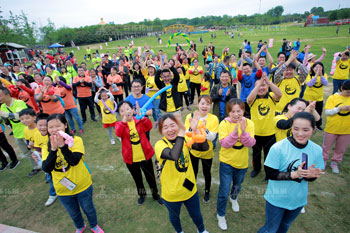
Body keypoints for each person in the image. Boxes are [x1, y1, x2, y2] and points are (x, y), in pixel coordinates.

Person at [257, 112, 324, 233]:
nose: (300, 133)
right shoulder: (278, 148)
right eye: (296, 129)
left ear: (314, 129)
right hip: (276, 199)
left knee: (284, 226)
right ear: (291, 127)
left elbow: (312, 176)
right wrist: (295, 174)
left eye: (305, 129)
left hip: (298, 200)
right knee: (270, 229)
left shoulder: (317, 150)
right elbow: (270, 174)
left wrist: (310, 176)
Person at [41, 114, 104, 233]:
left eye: (58, 126)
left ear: (65, 125)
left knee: (88, 209)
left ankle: (94, 225)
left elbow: (74, 161)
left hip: (82, 185)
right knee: (73, 212)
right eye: (51, 127)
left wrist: (63, 147)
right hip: (62, 189)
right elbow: (46, 168)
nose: (54, 130)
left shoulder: (76, 140)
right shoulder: (46, 146)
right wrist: (53, 150)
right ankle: (80, 226)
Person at [155, 114, 209, 233]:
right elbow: (174, 155)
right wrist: (181, 132)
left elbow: (204, 148)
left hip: (189, 190)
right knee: (174, 216)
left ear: (177, 125)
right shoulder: (160, 145)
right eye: (165, 127)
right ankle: (179, 231)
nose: (170, 130)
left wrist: (195, 130)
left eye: (173, 125)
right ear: (161, 131)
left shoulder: (184, 139)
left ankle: (201, 230)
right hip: (171, 194)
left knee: (196, 214)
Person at [217, 99, 256, 231]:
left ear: (243, 111)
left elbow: (250, 143)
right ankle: (221, 215)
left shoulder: (249, 123)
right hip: (226, 162)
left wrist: (244, 132)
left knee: (237, 185)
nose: (236, 114)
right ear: (228, 112)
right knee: (223, 190)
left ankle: (234, 198)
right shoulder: (223, 124)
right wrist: (234, 131)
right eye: (232, 111)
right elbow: (225, 144)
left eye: (239, 111)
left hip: (242, 163)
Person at [115, 101, 162, 205]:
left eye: (127, 109)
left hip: (145, 156)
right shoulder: (119, 124)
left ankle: (155, 194)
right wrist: (123, 121)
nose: (125, 112)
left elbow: (148, 126)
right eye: (122, 111)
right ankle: (142, 194)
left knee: (150, 177)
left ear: (133, 110)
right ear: (120, 114)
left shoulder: (139, 120)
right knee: (137, 179)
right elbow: (118, 133)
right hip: (131, 159)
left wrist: (142, 117)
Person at [247, 73, 282, 178]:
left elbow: (279, 94)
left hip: (270, 133)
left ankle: (268, 172)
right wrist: (259, 83)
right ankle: (256, 169)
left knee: (269, 154)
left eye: (263, 86)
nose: (261, 88)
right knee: (256, 154)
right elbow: (248, 100)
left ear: (267, 87)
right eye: (259, 86)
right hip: (256, 133)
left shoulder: (271, 96)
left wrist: (268, 82)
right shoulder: (253, 98)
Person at [185, 96, 219, 202]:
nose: (205, 106)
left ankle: (207, 191)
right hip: (193, 152)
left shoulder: (213, 118)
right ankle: (191, 190)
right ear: (198, 104)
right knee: (192, 172)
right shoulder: (190, 116)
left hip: (207, 153)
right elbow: (187, 134)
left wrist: (203, 128)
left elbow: (213, 137)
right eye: (202, 103)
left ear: (211, 106)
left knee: (207, 172)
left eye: (208, 104)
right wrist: (195, 128)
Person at [0, 87, 40, 176]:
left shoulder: (19, 103)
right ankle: (36, 167)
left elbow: (18, 116)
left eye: (0, 96)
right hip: (17, 133)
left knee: (37, 150)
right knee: (26, 152)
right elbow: (4, 121)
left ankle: (44, 167)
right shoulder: (3, 106)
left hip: (27, 132)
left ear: (7, 95)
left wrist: (3, 114)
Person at [322, 80, 350, 174]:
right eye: (348, 92)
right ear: (342, 88)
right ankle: (323, 161)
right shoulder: (333, 97)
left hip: (346, 130)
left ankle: (335, 162)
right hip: (332, 128)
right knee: (326, 146)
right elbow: (327, 112)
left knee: (341, 148)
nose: (349, 94)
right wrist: (339, 109)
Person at [33, 113, 57, 206]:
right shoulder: (36, 134)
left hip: (56, 160)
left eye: (45, 125)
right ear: (36, 125)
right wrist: (37, 154)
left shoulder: (53, 134)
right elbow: (37, 147)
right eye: (40, 125)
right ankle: (53, 194)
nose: (43, 127)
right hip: (46, 162)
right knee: (51, 178)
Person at [303, 62, 328, 130]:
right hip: (308, 98)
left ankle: (317, 125)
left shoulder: (324, 75)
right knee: (308, 112)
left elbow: (325, 83)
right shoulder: (309, 75)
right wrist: (316, 75)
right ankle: (307, 124)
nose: (318, 69)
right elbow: (309, 84)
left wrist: (321, 76)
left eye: (320, 67)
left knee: (318, 112)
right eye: (316, 67)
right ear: (313, 68)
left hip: (319, 98)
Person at [237, 54, 263, 118]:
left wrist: (255, 62)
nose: (246, 70)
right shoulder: (243, 77)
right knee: (244, 117)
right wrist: (242, 63)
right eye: (244, 69)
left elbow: (260, 72)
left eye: (247, 69)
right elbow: (239, 75)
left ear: (251, 68)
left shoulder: (254, 76)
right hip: (244, 100)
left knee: (253, 116)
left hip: (253, 99)